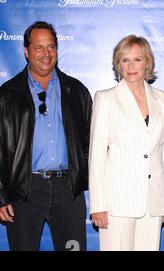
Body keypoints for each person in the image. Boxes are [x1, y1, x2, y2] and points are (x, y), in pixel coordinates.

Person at [0, 21, 92, 251]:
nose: (46, 54)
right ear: (26, 51)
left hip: (68, 190)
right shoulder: (7, 94)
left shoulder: (76, 91)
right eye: (39, 47)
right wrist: (2, 195)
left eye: (51, 47)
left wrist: (84, 177)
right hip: (24, 190)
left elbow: (90, 142)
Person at [88, 35, 164, 251]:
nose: (131, 66)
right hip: (117, 202)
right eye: (124, 60)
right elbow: (97, 155)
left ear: (147, 62)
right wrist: (97, 205)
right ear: (118, 65)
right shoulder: (105, 98)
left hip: (152, 200)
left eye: (137, 59)